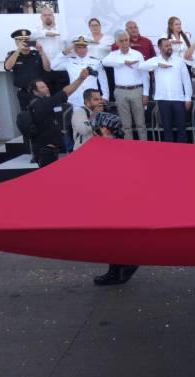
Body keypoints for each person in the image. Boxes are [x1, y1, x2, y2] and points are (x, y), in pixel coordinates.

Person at [89, 112, 140, 287]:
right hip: (107, 200)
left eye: (98, 130)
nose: (95, 133)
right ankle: (115, 269)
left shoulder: (118, 149)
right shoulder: (104, 147)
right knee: (110, 237)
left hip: (118, 202)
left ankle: (124, 266)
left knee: (116, 236)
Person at [26, 69, 90, 166]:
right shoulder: (42, 104)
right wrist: (80, 79)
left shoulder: (35, 104)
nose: (46, 88)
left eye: (46, 86)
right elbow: (66, 92)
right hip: (46, 151)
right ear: (35, 91)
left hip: (48, 149)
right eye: (42, 87)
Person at [140, 38, 192, 143]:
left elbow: (187, 81)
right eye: (166, 46)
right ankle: (170, 155)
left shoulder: (179, 61)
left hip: (178, 99)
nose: (169, 48)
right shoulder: (155, 60)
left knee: (181, 128)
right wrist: (158, 65)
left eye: (170, 45)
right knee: (167, 129)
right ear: (160, 48)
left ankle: (184, 153)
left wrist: (188, 98)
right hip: (163, 99)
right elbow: (141, 66)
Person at [103, 31, 150, 141]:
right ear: (116, 42)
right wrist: (123, 62)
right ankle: (129, 151)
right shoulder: (113, 55)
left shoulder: (137, 54)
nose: (124, 43)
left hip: (136, 90)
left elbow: (145, 75)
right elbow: (104, 62)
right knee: (126, 125)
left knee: (141, 124)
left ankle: (145, 149)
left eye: (126, 40)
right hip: (120, 92)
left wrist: (146, 93)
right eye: (121, 41)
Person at [50, 36, 110, 108]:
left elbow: (103, 79)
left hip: (92, 99)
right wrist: (64, 53)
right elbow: (53, 66)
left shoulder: (96, 61)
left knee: (94, 118)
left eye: (84, 47)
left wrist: (105, 96)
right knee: (77, 118)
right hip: (75, 98)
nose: (82, 50)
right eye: (79, 47)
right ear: (75, 49)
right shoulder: (69, 61)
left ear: (87, 49)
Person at [4, 29, 51, 111]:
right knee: (27, 116)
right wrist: (18, 50)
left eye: (26, 40)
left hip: (40, 92)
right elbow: (7, 67)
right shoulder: (13, 55)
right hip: (24, 93)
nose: (24, 42)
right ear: (16, 42)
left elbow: (47, 69)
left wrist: (41, 52)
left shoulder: (36, 54)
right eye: (21, 40)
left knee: (44, 114)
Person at [31, 7, 67, 93]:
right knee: (47, 94)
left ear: (53, 16)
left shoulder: (61, 29)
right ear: (41, 17)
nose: (47, 17)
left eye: (50, 15)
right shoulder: (36, 30)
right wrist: (46, 33)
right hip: (43, 68)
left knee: (64, 93)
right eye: (45, 15)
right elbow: (29, 40)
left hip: (60, 67)